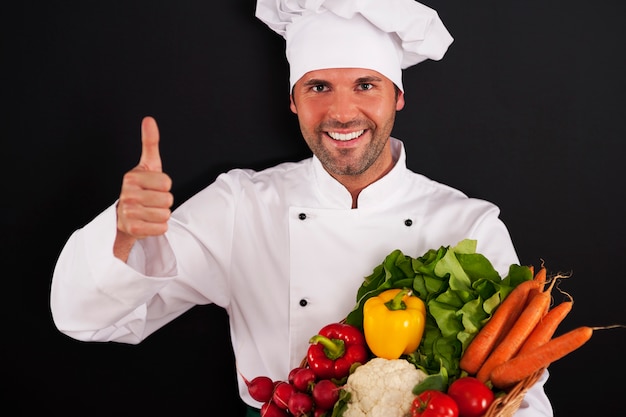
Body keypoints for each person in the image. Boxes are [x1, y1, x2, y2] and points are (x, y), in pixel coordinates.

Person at [50, 1, 554, 416]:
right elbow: (86, 320)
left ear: (397, 96)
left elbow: (524, 395)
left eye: (365, 85)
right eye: (318, 87)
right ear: (292, 100)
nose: (340, 112)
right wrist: (121, 238)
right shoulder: (241, 206)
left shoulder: (468, 224)